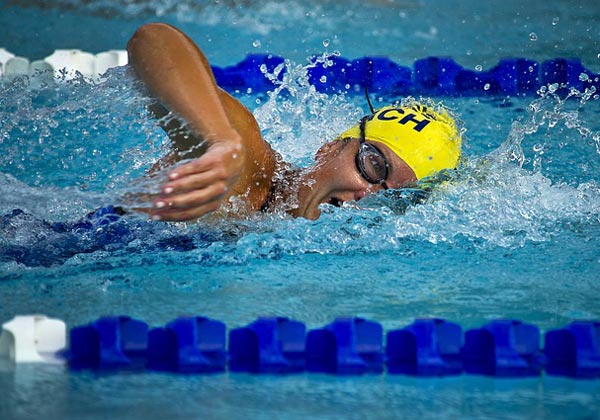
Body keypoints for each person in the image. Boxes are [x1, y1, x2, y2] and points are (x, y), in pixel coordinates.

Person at [126, 23, 462, 222]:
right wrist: (220, 140)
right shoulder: (247, 172)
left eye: (395, 197)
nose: (367, 194)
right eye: (374, 166)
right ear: (330, 147)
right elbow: (154, 41)